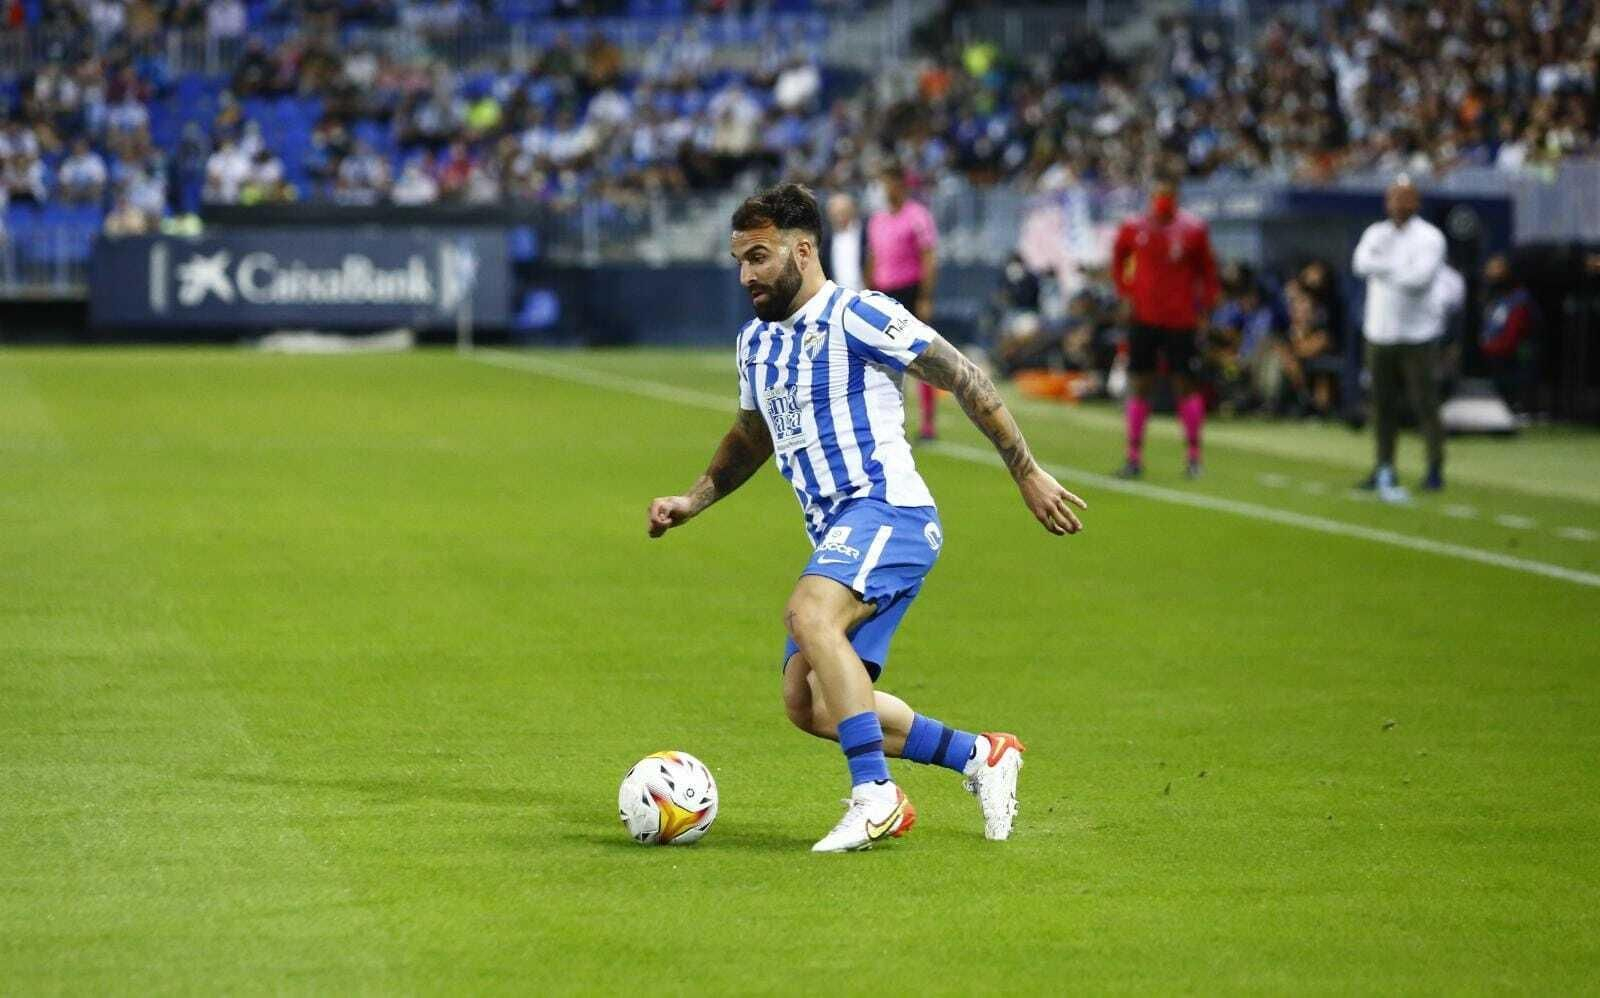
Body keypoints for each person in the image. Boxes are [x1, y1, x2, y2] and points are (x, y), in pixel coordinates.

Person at [647, 184, 1086, 853]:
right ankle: (981, 756)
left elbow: (964, 376)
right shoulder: (755, 345)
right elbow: (751, 436)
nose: (746, 275)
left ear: (802, 249)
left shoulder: (859, 315)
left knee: (809, 614)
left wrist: (1025, 470)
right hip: (841, 532)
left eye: (759, 257)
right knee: (810, 704)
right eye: (739, 260)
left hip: (890, 511)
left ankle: (875, 795)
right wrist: (693, 499)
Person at [1111, 175, 1219, 478]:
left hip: (1181, 319)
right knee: (1140, 383)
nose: (1162, 199)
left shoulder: (1193, 230)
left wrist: (1205, 308)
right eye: (1158, 193)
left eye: (1167, 193)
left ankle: (1194, 456)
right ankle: (1133, 457)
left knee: (1185, 384)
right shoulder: (1134, 227)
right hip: (1144, 317)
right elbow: (1118, 260)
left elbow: (1207, 272)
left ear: (1176, 195)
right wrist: (1125, 292)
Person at [1351, 175, 1447, 499]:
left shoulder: (1430, 237)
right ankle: (1383, 467)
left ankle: (1434, 468)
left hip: (1418, 334)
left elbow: (1419, 280)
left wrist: (1384, 267)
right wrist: (1397, 267)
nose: (1398, 204)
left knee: (1424, 404)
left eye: (1404, 198)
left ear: (1415, 202)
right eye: (1393, 198)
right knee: (1382, 406)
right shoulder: (1376, 232)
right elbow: (1360, 264)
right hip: (1380, 332)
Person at [868, 163, 941, 441]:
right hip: (884, 292)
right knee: (882, 360)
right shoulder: (878, 219)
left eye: (886, 182)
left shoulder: (917, 216)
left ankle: (928, 423)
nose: (883, 189)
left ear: (900, 184)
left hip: (910, 290)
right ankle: (885, 418)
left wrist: (925, 296)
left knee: (920, 357)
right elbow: (874, 257)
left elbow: (928, 257)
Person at [1479, 254, 1539, 413]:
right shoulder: (1494, 298)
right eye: (1489, 269)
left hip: (1513, 357)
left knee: (1511, 389)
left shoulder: (1519, 299)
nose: (1490, 274)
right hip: (1494, 356)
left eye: (1497, 269)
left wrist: (1494, 348)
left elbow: (1515, 334)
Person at [821, 192, 867, 292]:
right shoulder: (827, 241)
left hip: (867, 291)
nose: (839, 217)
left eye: (843, 212)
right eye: (834, 214)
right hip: (841, 298)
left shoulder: (865, 232)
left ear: (852, 211)